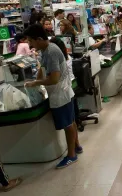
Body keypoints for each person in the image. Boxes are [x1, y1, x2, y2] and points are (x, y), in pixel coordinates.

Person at [24, 24, 82, 169]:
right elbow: (42, 69)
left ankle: (71, 155)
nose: (30, 45)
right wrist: (36, 83)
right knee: (71, 121)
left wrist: (36, 83)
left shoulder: (51, 52)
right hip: (61, 92)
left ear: (38, 39)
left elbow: (54, 79)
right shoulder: (44, 50)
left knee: (68, 125)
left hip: (60, 94)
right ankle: (77, 146)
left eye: (31, 41)